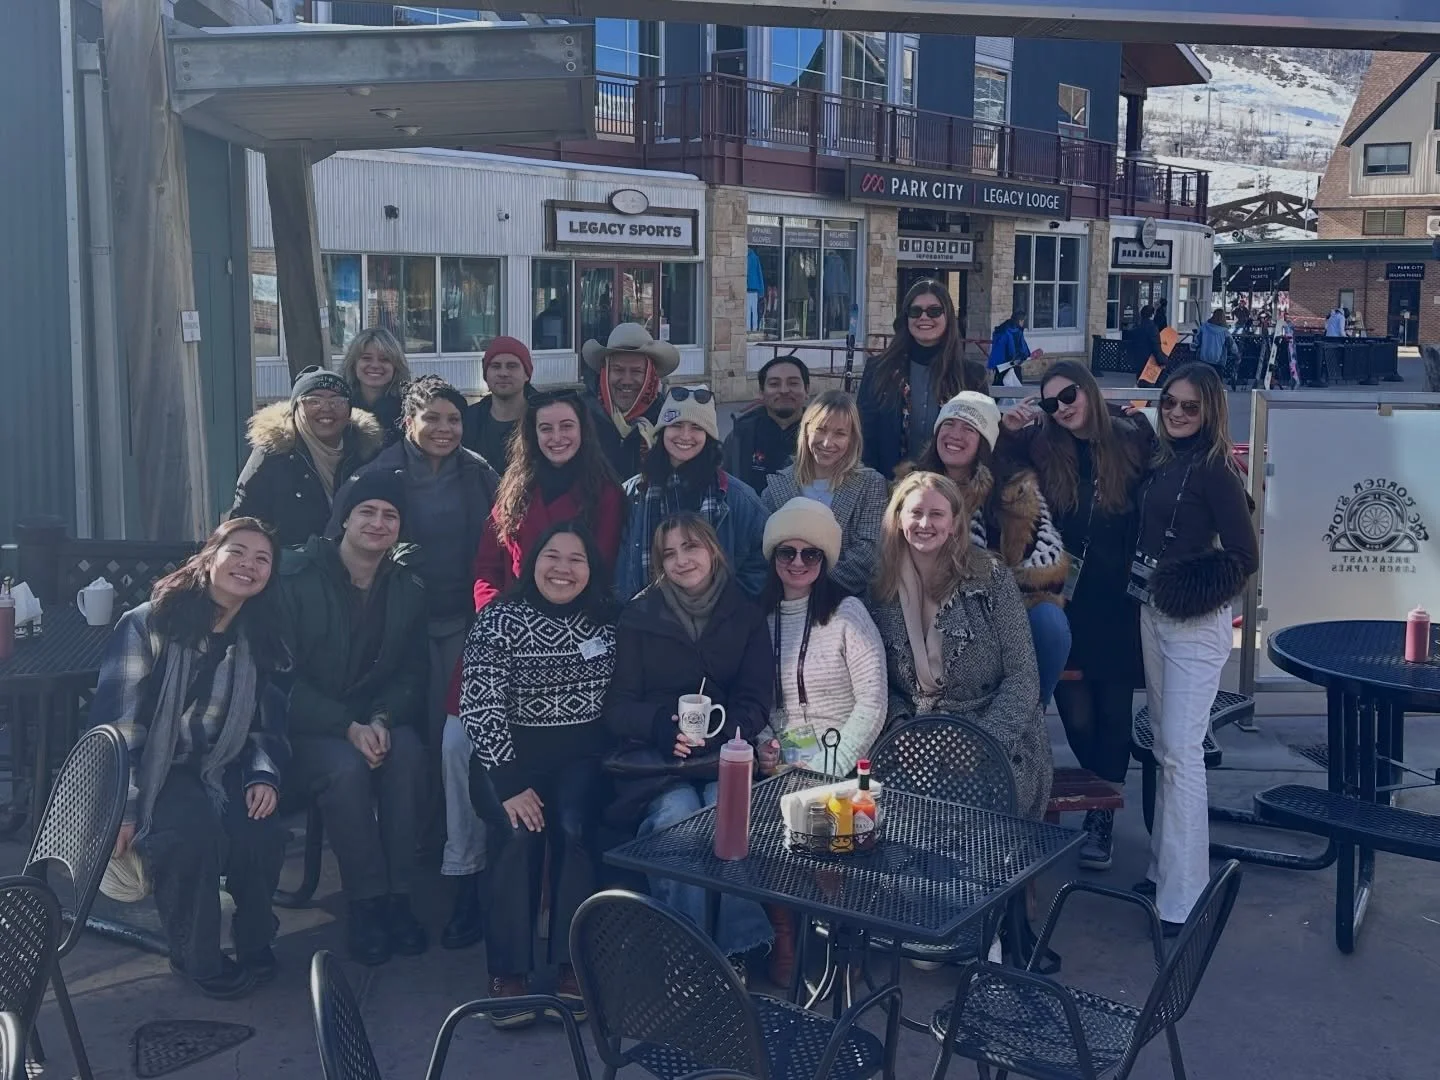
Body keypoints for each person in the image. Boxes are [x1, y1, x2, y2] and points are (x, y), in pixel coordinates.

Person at [438, 389, 624, 949]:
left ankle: (561, 926)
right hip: (508, 633)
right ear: (532, 435)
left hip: (575, 636)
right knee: (455, 743)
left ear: (582, 431)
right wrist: (500, 615)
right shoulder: (512, 490)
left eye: (567, 426)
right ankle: (465, 876)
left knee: (569, 818)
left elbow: (601, 569)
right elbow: (486, 565)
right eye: (545, 429)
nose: (557, 437)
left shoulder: (607, 495)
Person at [93, 519, 290, 999]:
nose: (248, 565)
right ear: (209, 557)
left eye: (262, 559)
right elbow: (120, 728)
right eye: (237, 552)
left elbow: (269, 724)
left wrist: (264, 775)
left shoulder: (260, 637)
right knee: (190, 834)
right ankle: (196, 956)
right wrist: (124, 807)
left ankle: (255, 939)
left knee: (260, 829)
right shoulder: (148, 623)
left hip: (226, 760)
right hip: (160, 768)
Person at [329, 375, 501, 874]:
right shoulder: (380, 474)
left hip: (462, 620)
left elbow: (501, 543)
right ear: (409, 421)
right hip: (396, 622)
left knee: (452, 732)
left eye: (454, 419)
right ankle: (412, 838)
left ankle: (456, 837)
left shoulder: (478, 472)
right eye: (432, 418)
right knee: (406, 732)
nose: (444, 429)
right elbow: (340, 540)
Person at [460, 521, 618, 1027]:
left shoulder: (608, 619)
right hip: (507, 758)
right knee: (518, 833)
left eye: (577, 559)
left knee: (573, 830)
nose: (563, 569)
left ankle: (574, 964)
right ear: (532, 564)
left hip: (581, 759)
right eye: (552, 556)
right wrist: (508, 784)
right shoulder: (500, 619)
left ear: (591, 569)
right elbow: (478, 702)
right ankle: (509, 973)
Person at [603, 514, 775, 975]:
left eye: (691, 547)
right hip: (661, 763)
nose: (681, 560)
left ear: (713, 550)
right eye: (669, 553)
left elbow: (757, 697)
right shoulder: (640, 615)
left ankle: (739, 946)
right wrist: (662, 725)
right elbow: (618, 706)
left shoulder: (745, 611)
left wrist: (722, 733)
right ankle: (688, 956)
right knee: (680, 817)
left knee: (727, 811)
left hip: (723, 755)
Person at [999, 361, 1154, 869]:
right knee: (1077, 712)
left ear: (1087, 390)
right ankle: (1099, 777)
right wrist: (1009, 433)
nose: (1061, 408)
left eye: (1068, 397)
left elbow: (1171, 478)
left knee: (1112, 707)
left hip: (1117, 592)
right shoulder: (1042, 442)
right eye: (1050, 402)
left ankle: (1102, 809)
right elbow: (1001, 480)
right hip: (1066, 591)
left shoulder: (1132, 433)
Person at [276, 472, 428, 967]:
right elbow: (277, 682)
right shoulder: (296, 577)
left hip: (371, 719)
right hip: (305, 730)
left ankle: (399, 898)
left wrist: (383, 717)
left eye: (390, 515)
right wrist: (346, 725)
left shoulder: (407, 586)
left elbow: (411, 672)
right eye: (367, 511)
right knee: (345, 769)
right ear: (344, 518)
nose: (378, 523)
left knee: (407, 754)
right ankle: (364, 902)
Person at [1134, 363, 1257, 933]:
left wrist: (1185, 590)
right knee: (1166, 748)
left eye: (1190, 407)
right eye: (1169, 404)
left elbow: (1243, 555)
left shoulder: (1216, 471)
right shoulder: (1164, 459)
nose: (1178, 414)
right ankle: (1166, 874)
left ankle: (1184, 897)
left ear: (1210, 411)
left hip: (1193, 619)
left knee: (1182, 755)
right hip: (1154, 612)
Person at [868, 472, 1052, 820]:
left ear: (954, 524)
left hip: (990, 727)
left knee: (978, 821)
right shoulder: (880, 588)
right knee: (888, 819)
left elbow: (1023, 677)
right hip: (916, 733)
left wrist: (983, 741)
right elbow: (877, 681)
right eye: (915, 513)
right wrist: (899, 726)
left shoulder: (991, 576)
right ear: (898, 519)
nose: (925, 523)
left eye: (936, 514)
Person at [900, 392, 1071, 706]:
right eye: (948, 424)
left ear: (986, 440)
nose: (955, 435)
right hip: (924, 607)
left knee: (1050, 622)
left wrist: (990, 603)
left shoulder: (1014, 490)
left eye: (969, 428)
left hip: (998, 612)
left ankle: (1029, 711)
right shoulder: (909, 484)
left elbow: (1044, 573)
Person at [615, 385, 769, 600]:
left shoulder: (738, 498)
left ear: (709, 436)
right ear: (662, 432)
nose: (685, 435)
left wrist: (731, 603)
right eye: (676, 425)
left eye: (697, 427)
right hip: (645, 620)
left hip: (716, 623)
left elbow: (763, 561)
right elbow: (614, 559)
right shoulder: (632, 494)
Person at [231, 366, 384, 548]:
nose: (326, 408)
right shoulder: (272, 454)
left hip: (353, 565)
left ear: (350, 410)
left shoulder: (365, 451)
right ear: (296, 408)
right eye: (314, 401)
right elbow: (244, 521)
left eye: (337, 401)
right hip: (289, 567)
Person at [857, 278, 990, 480]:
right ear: (906, 317)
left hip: (951, 490)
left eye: (934, 311)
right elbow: (864, 436)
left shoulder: (972, 376)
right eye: (915, 311)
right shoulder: (878, 369)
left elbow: (982, 440)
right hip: (888, 487)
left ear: (948, 317)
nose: (924, 317)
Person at [759, 391, 887, 596]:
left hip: (846, 600)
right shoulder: (776, 487)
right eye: (821, 429)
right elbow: (764, 550)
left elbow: (868, 553)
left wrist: (810, 583)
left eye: (840, 433)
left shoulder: (871, 485)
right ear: (806, 430)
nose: (827, 443)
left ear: (852, 438)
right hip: (785, 599)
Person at [580, 323, 680, 480]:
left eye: (636, 371)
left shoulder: (669, 421)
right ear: (605, 372)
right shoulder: (580, 417)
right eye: (618, 370)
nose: (626, 380)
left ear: (650, 376)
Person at [722, 354, 810, 497]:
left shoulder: (822, 438)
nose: (784, 390)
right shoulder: (740, 437)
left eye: (793, 383)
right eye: (774, 384)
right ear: (761, 392)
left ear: (807, 390)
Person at [463, 336, 534, 469]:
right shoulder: (467, 420)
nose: (503, 373)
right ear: (486, 374)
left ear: (527, 374)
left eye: (512, 366)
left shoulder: (544, 419)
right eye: (496, 366)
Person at [341, 327, 410, 447]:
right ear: (353, 364)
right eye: (366, 358)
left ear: (396, 366)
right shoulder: (340, 406)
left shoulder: (408, 409)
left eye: (384, 359)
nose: (375, 365)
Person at [987, 310, 1038, 387]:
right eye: (1023, 321)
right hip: (1011, 363)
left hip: (999, 364)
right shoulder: (1015, 332)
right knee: (1015, 388)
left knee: (998, 385)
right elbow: (1016, 349)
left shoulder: (1003, 329)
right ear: (1020, 320)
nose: (1023, 323)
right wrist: (1025, 356)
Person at [1195, 308, 1241, 374]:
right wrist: (1237, 355)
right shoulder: (1225, 332)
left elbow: (1197, 341)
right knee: (1217, 381)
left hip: (1204, 360)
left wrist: (1194, 350)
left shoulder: (1204, 328)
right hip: (1218, 362)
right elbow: (1231, 345)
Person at [1128, 305, 1165, 384]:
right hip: (1150, 360)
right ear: (1152, 315)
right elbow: (1156, 346)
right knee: (1151, 384)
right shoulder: (1152, 328)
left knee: (1140, 381)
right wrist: (1161, 361)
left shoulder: (1137, 327)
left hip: (1138, 360)